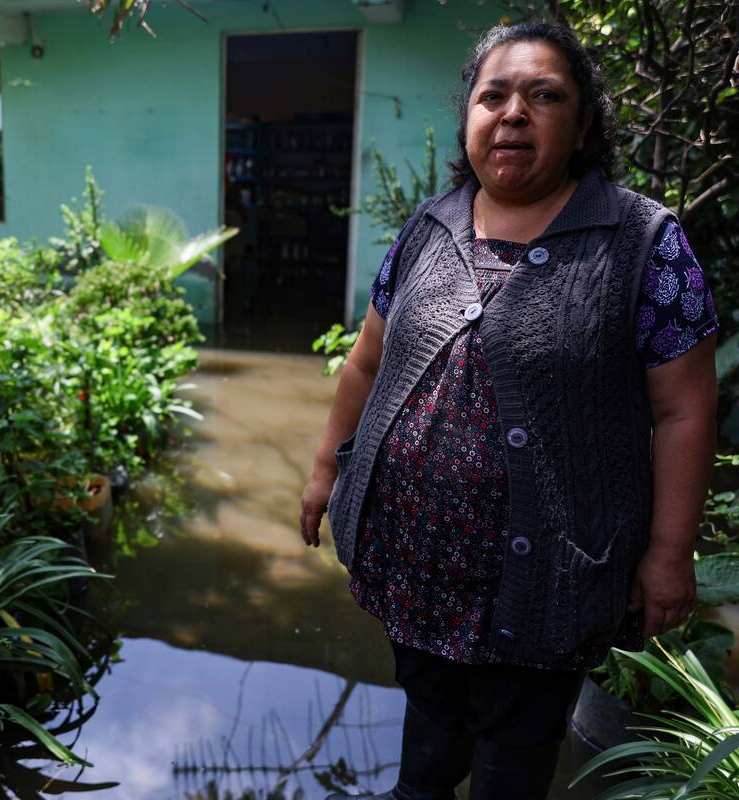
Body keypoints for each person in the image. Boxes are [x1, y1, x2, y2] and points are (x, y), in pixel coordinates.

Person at [298, 22, 718, 800]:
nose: (514, 112)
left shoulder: (642, 242)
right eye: (493, 96)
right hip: (417, 569)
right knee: (428, 738)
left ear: (583, 127)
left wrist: (669, 552)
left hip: (550, 586)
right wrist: (326, 470)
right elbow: (365, 361)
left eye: (544, 96)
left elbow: (685, 409)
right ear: (469, 119)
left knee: (514, 761)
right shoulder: (429, 228)